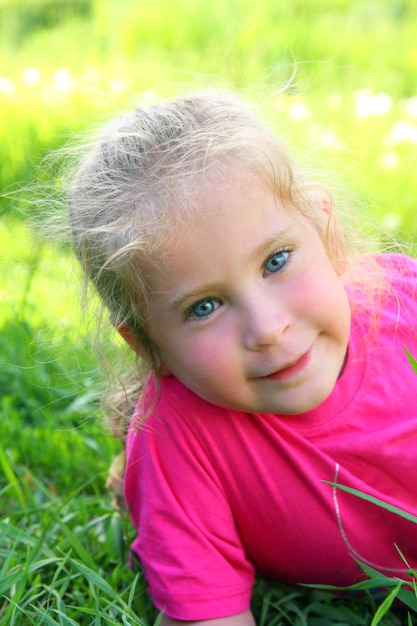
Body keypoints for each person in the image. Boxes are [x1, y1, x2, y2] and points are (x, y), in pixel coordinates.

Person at [66, 90, 417, 625]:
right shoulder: (178, 437)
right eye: (204, 306)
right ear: (149, 346)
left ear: (326, 231)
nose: (267, 328)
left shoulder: (406, 304)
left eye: (277, 261)